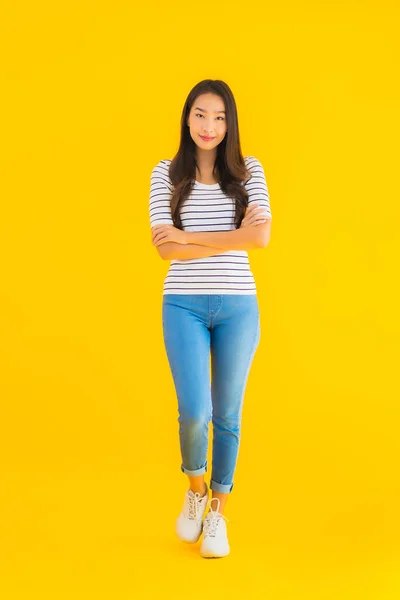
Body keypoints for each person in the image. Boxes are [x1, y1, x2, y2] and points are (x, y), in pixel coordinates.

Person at [149, 79, 272, 558]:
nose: (209, 126)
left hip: (238, 305)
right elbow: (163, 250)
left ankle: (218, 512)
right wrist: (231, 234)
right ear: (187, 117)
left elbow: (260, 241)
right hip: (182, 304)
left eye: (219, 117)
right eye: (201, 114)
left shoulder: (249, 172)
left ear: (230, 124)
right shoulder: (165, 173)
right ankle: (196, 490)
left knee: (228, 415)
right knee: (195, 414)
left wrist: (190, 239)